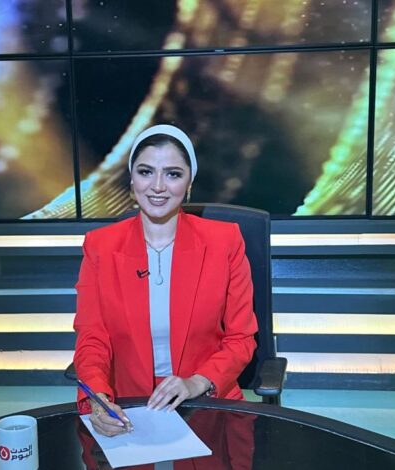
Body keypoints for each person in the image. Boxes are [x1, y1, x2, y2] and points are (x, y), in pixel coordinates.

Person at [73, 124, 258, 437]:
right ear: (131, 178)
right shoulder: (99, 246)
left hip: (206, 400)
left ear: (189, 182)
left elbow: (241, 338)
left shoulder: (225, 241)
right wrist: (98, 398)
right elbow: (92, 337)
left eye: (173, 174)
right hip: (129, 406)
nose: (157, 186)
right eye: (146, 172)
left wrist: (196, 383)